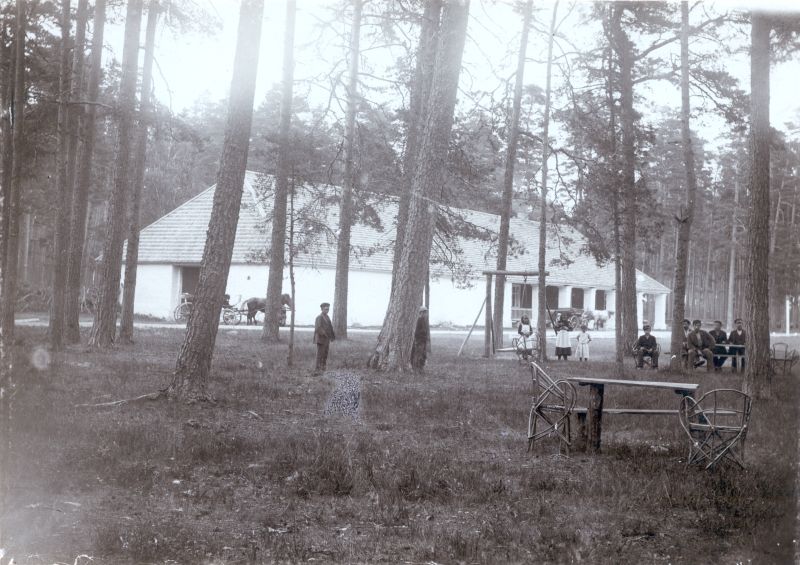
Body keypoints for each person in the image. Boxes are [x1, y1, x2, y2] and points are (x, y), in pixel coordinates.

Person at [313, 302, 335, 374]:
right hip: (321, 339)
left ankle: (323, 367)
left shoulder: (327, 317)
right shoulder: (319, 317)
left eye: (328, 309)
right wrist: (325, 334)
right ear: (322, 309)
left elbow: (330, 327)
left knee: (325, 353)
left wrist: (332, 336)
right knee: (320, 354)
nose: (327, 310)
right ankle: (317, 369)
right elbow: (318, 328)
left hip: (327, 339)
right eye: (325, 309)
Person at [410, 306, 429, 372]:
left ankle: (420, 368)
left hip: (423, 341)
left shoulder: (423, 320)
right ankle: (416, 369)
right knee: (418, 355)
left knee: (423, 355)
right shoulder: (419, 320)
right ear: (421, 313)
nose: (425, 314)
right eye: (424, 312)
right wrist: (422, 335)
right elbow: (417, 332)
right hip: (419, 341)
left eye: (426, 312)